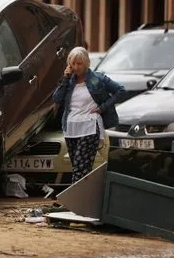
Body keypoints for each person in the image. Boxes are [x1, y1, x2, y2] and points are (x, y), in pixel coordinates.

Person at [53, 46, 125, 183]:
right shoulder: (68, 81)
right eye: (73, 63)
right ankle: (82, 199)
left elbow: (121, 91)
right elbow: (57, 98)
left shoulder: (96, 79)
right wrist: (65, 78)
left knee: (81, 168)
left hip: (89, 126)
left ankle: (74, 200)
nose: (76, 67)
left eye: (79, 63)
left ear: (86, 63)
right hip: (70, 129)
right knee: (76, 167)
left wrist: (103, 107)